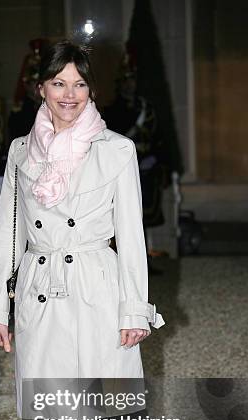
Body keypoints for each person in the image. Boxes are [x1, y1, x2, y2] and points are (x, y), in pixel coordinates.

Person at [0, 40, 198, 420]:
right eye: (59, 84)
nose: (69, 95)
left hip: (100, 295)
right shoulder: (19, 152)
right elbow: (6, 236)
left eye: (79, 84)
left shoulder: (117, 150)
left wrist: (135, 310)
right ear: (41, 89)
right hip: (41, 298)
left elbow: (131, 237)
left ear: (91, 90)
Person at [104, 47, 169, 274]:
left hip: (146, 171)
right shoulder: (112, 110)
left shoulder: (146, 108)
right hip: (124, 170)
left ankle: (143, 263)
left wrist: (156, 160)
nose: (129, 85)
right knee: (123, 220)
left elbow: (159, 138)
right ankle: (122, 264)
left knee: (143, 219)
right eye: (125, 81)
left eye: (132, 80)